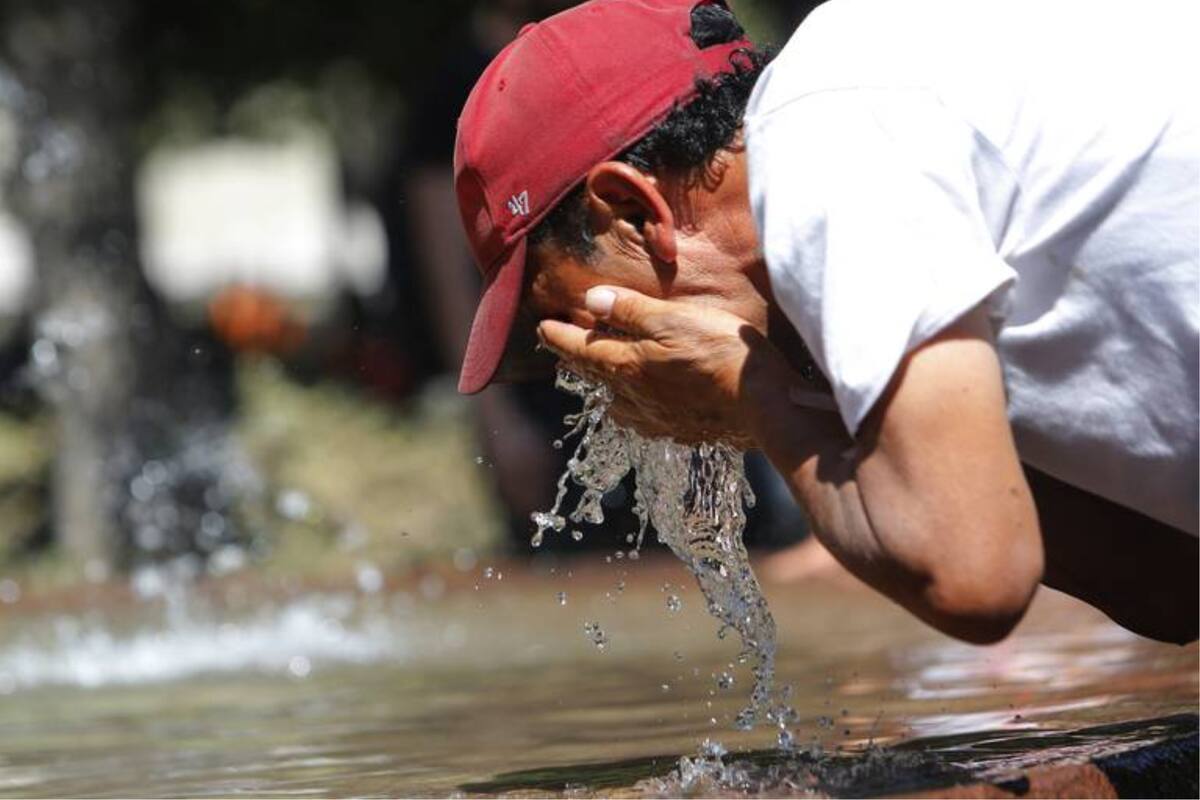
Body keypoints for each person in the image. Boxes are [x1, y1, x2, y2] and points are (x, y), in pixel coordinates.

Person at [450, 0, 1198, 644]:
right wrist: (787, 409)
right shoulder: (885, 105)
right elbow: (1170, 587)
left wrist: (761, 402)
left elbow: (976, 582)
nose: (594, 370)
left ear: (637, 214)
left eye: (572, 320)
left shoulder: (824, 135)